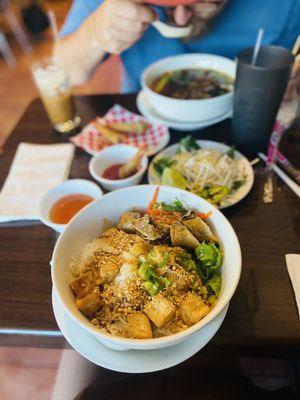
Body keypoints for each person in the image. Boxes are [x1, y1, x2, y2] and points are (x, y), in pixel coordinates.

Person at [55, 0, 300, 93]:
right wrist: (93, 34)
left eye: (202, 1)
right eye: (165, 4)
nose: (181, 19)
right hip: (145, 126)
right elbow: (64, 73)